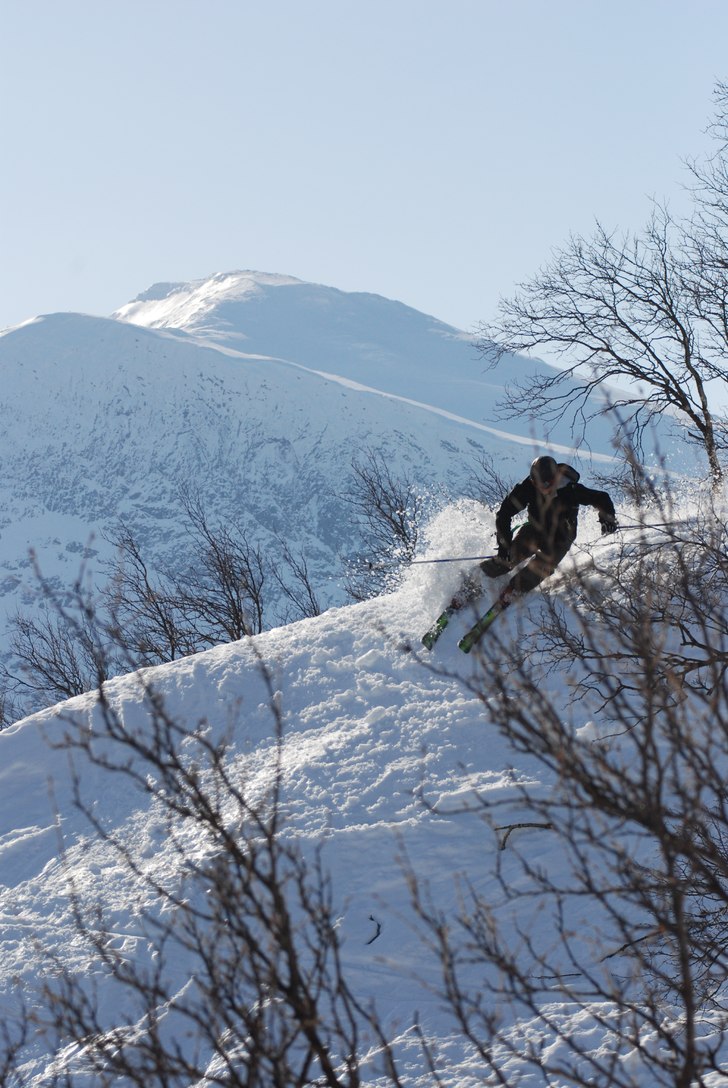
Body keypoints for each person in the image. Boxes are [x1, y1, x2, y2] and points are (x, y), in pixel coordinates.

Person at [478, 454, 618, 598]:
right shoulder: (527, 488)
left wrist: (607, 519)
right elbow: (504, 514)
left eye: (548, 484)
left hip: (562, 535)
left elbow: (601, 498)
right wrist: (504, 548)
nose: (544, 488)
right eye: (539, 484)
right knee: (507, 558)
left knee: (543, 565)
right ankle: (477, 579)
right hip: (535, 528)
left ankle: (515, 590)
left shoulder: (569, 488)